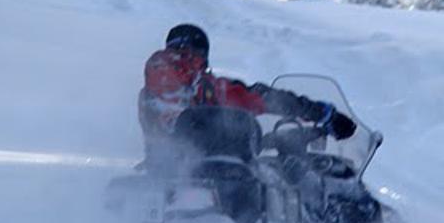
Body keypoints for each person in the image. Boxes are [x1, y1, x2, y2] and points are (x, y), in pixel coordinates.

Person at [138, 23, 356, 155]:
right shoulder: (209, 87)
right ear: (202, 56)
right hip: (218, 180)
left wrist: (270, 140)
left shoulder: (150, 92)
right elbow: (259, 98)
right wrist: (322, 113)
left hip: (163, 175)